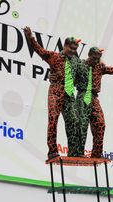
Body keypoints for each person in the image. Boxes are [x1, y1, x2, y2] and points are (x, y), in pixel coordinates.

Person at [24, 27, 81, 160]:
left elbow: (83, 72)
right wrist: (30, 37)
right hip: (55, 92)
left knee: (73, 120)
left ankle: (73, 151)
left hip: (69, 94)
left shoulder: (76, 62)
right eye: (71, 48)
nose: (73, 51)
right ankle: (52, 151)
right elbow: (40, 50)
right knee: (53, 120)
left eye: (75, 49)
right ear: (65, 46)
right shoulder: (54, 57)